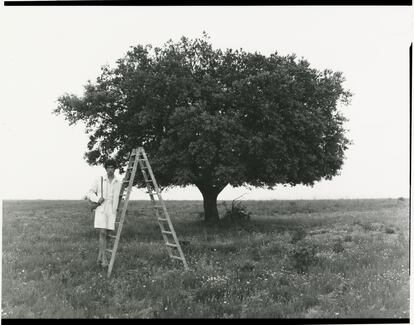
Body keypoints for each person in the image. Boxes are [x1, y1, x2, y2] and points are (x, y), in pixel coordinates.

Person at [87, 158, 122, 267]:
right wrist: (97, 199)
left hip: (111, 210)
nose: (110, 169)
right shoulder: (100, 179)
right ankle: (104, 259)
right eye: (108, 167)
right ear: (106, 168)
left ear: (115, 169)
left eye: (112, 167)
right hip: (101, 209)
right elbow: (89, 193)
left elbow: (118, 197)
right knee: (102, 232)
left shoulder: (118, 182)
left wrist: (117, 207)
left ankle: (99, 257)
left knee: (107, 235)